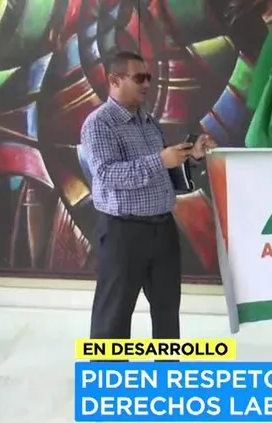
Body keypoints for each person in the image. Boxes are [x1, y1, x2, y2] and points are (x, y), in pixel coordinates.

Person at [81, 51, 214, 341]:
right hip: (123, 232)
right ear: (114, 80)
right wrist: (159, 160)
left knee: (167, 313)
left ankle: (166, 380)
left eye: (148, 78)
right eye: (138, 77)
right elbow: (106, 175)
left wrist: (191, 157)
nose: (146, 84)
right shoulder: (99, 123)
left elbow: (163, 174)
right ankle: (108, 384)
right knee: (113, 316)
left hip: (163, 229)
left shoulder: (148, 122)